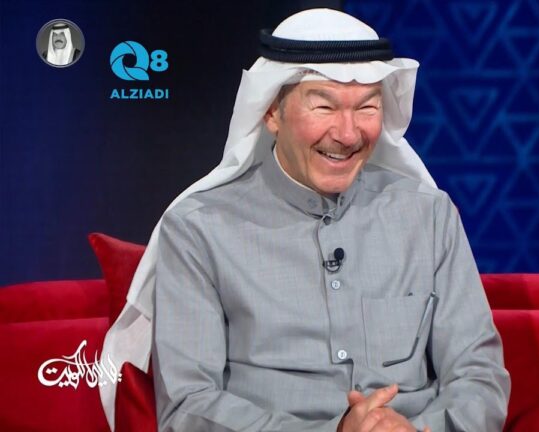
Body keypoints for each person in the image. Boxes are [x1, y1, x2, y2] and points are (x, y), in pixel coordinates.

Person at [100, 8, 510, 432]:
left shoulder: (429, 216)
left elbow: (479, 376)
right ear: (271, 113)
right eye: (324, 106)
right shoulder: (198, 230)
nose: (348, 134)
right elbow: (189, 406)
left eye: (367, 107)